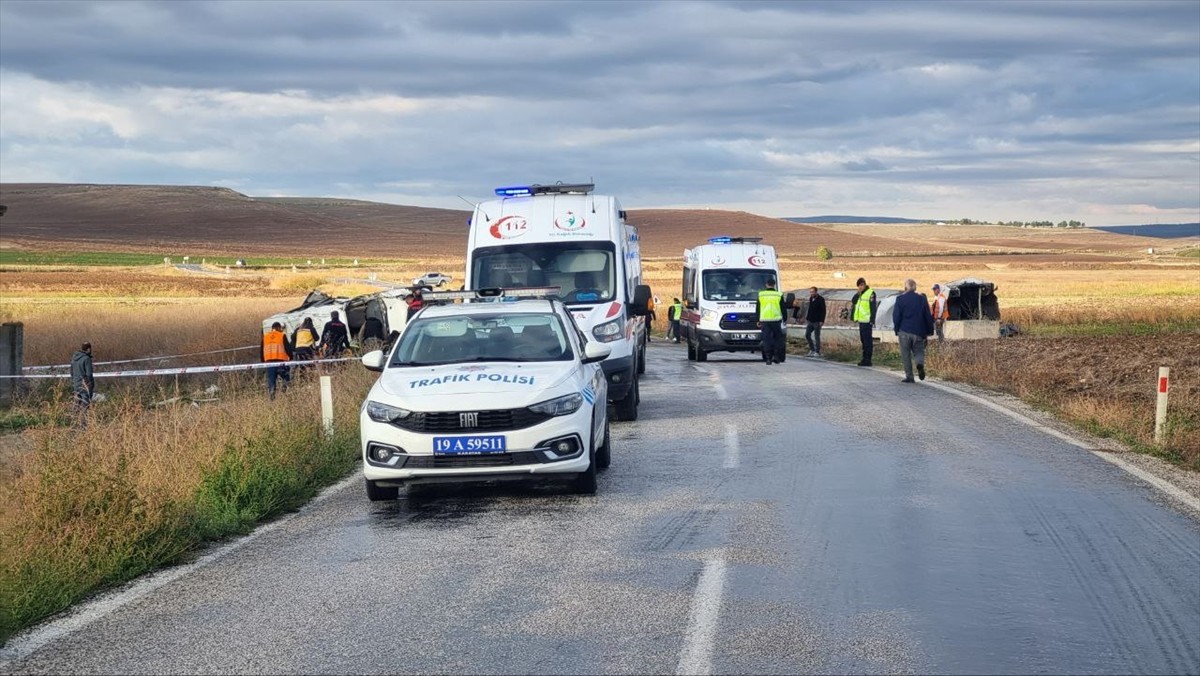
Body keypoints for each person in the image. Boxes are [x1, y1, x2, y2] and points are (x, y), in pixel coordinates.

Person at [892, 278, 935, 383]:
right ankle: (919, 364)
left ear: (905, 287)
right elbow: (927, 316)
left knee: (905, 354)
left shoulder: (900, 299)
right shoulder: (922, 299)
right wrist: (929, 331)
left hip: (904, 331)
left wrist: (896, 329)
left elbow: (896, 316)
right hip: (919, 331)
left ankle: (909, 376)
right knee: (919, 352)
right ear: (915, 288)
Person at [755, 279, 786, 365]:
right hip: (776, 320)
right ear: (774, 285)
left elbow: (758, 308)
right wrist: (785, 319)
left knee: (766, 340)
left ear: (766, 284)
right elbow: (783, 308)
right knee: (777, 339)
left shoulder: (761, 295)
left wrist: (758, 320)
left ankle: (768, 358)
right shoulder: (779, 295)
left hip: (765, 320)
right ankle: (776, 357)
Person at [850, 277, 878, 366]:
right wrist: (857, 293)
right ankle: (864, 358)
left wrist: (872, 320)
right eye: (859, 286)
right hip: (861, 321)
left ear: (864, 284)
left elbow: (873, 307)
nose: (860, 287)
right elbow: (853, 301)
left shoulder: (871, 293)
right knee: (863, 341)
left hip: (867, 321)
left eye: (861, 285)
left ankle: (868, 359)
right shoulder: (860, 294)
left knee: (867, 341)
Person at [262, 322, 293, 400]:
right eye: (281, 329)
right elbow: (288, 348)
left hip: (269, 363)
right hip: (280, 362)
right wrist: (291, 357)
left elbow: (261, 350)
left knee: (271, 381)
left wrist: (263, 362)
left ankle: (272, 398)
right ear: (279, 328)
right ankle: (286, 394)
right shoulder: (282, 335)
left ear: (272, 328)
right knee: (285, 378)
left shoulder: (265, 337)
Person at [70, 342, 95, 427]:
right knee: (85, 405)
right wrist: (90, 385)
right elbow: (89, 374)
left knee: (76, 404)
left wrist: (75, 381)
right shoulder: (86, 359)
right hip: (85, 385)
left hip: (76, 384)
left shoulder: (74, 358)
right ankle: (83, 424)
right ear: (89, 349)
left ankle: (73, 422)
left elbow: (71, 372)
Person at [804, 287, 826, 357]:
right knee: (807, 334)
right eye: (810, 292)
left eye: (813, 292)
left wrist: (822, 320)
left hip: (817, 321)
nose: (811, 293)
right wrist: (807, 318)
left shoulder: (821, 299)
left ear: (816, 292)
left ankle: (817, 351)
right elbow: (810, 309)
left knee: (817, 336)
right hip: (810, 320)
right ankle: (812, 349)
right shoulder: (811, 299)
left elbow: (823, 310)